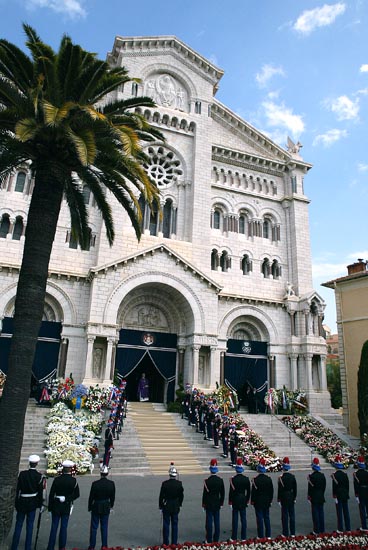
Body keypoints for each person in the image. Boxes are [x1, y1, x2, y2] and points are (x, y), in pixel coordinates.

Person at [10, 454, 45, 550]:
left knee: (19, 524)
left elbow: (17, 489)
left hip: (22, 500)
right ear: (37, 463)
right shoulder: (39, 476)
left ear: (29, 463)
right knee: (30, 526)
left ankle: (14, 546)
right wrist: (40, 504)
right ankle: (28, 547)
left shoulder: (22, 474)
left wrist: (16, 502)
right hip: (32, 502)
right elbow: (40, 492)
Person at [46, 459, 80, 550]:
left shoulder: (57, 479)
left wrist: (49, 508)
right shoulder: (73, 481)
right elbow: (77, 494)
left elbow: (51, 494)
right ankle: (62, 547)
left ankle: (50, 547)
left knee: (54, 527)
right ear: (70, 469)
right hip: (66, 505)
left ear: (63, 469)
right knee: (63, 527)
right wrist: (68, 498)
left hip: (56, 504)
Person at [88, 464, 115, 550]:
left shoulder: (95, 484)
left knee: (94, 527)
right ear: (107, 474)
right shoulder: (111, 483)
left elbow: (91, 496)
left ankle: (92, 546)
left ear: (100, 473)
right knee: (104, 526)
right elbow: (112, 496)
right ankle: (104, 545)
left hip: (96, 505)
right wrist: (111, 505)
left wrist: (90, 507)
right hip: (105, 505)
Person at [158, 462, 184, 545]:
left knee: (166, 524)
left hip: (167, 505)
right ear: (176, 475)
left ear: (169, 474)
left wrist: (160, 506)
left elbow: (161, 496)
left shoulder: (165, 484)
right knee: (175, 524)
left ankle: (165, 542)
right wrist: (180, 504)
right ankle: (174, 542)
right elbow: (181, 496)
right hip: (175, 505)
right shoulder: (179, 484)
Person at [202, 459, 225, 543]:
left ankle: (209, 539)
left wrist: (203, 504)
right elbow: (222, 493)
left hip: (209, 502)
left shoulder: (207, 481)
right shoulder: (220, 480)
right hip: (217, 502)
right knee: (217, 521)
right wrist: (221, 502)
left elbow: (205, 494)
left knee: (209, 522)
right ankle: (216, 538)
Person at [251, 457, 274, 539]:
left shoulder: (255, 480)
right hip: (267, 500)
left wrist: (252, 501)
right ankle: (268, 535)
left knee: (259, 518)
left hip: (258, 501)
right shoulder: (268, 479)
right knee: (267, 517)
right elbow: (271, 491)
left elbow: (253, 492)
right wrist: (270, 500)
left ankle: (260, 535)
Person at [228, 458, 250, 541]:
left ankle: (234, 537)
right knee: (243, 519)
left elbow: (231, 492)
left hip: (235, 499)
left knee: (235, 519)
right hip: (243, 499)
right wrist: (247, 500)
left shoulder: (233, 479)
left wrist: (230, 502)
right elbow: (248, 491)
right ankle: (243, 537)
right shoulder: (246, 479)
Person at [277, 456, 297, 537]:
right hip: (291, 496)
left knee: (284, 516)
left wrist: (279, 499)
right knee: (292, 515)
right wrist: (295, 497)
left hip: (284, 496)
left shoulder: (281, 478)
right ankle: (293, 532)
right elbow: (295, 488)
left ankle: (285, 532)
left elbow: (280, 490)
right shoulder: (292, 477)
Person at [331, 455, 350, 532]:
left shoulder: (334, 475)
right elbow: (347, 485)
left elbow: (334, 486)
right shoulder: (345, 475)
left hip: (338, 494)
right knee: (346, 511)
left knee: (339, 512)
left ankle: (340, 528)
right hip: (345, 493)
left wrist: (334, 495)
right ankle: (348, 528)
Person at [308, 457, 326, 535]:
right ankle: (322, 529)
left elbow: (310, 488)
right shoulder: (322, 476)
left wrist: (309, 496)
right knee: (321, 513)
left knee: (315, 514)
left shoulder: (311, 477)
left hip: (314, 496)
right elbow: (324, 486)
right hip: (321, 495)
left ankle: (316, 530)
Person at [353, 455, 368, 531]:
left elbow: (356, 485)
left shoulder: (356, 474)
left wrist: (356, 494)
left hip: (361, 492)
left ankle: (364, 526)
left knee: (362, 509)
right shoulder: (367, 473)